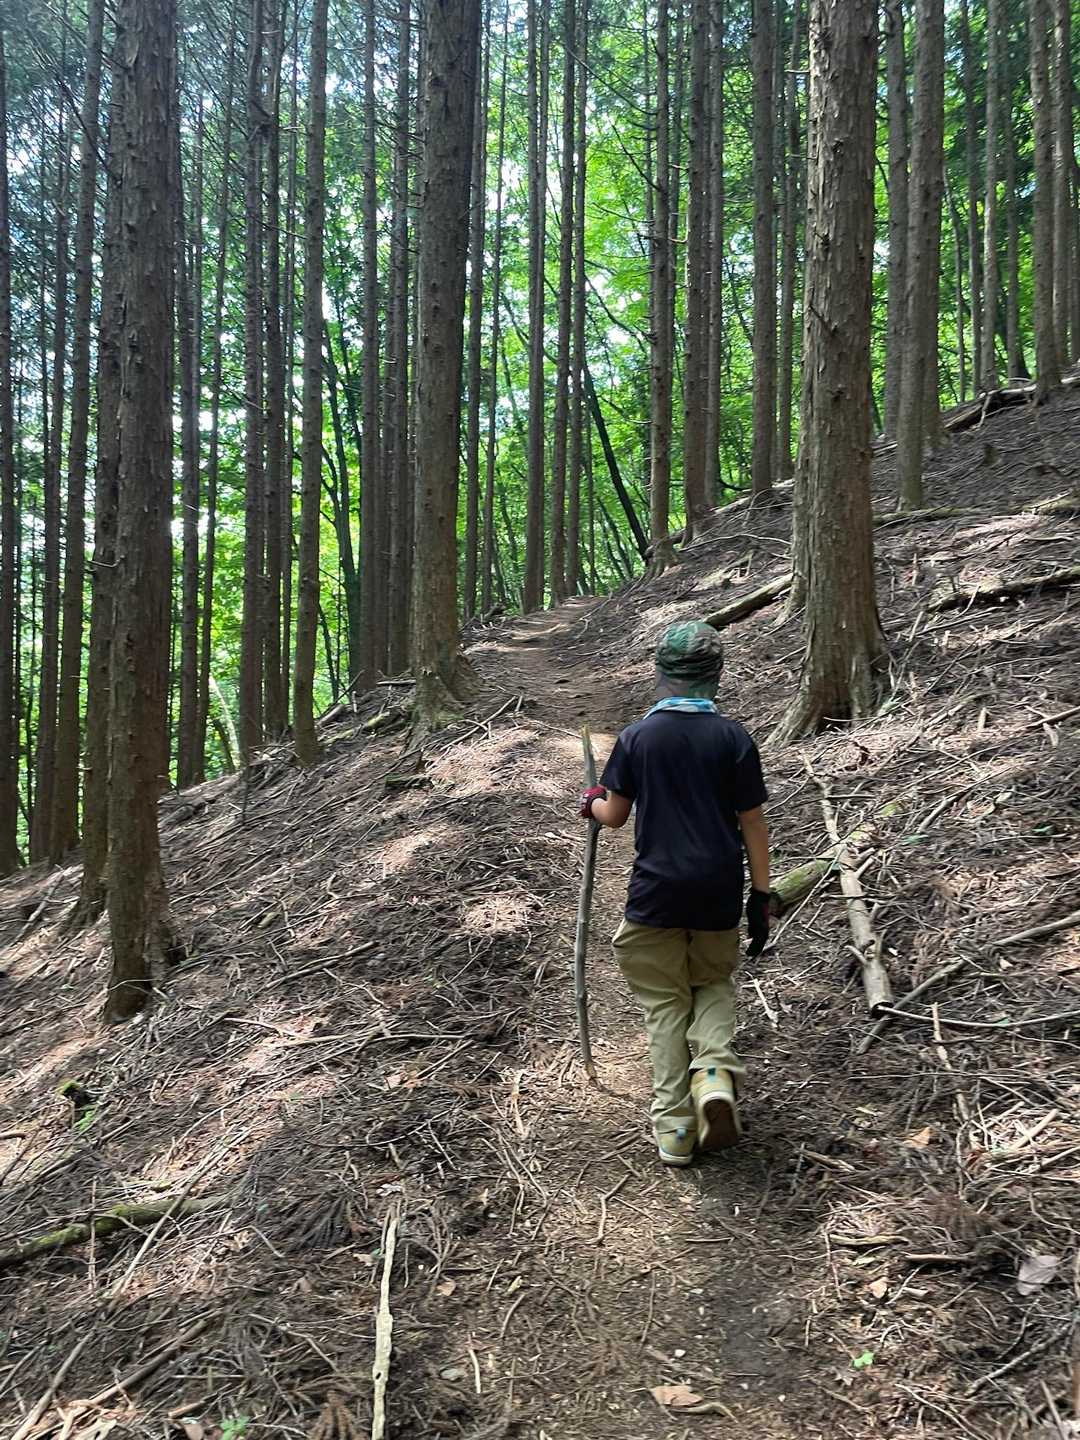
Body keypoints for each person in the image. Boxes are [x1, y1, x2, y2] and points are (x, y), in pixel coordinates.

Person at [579, 619, 771, 1167]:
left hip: (656, 892)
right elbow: (753, 822)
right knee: (711, 981)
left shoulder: (638, 737)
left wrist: (591, 799)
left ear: (661, 674)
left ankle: (677, 1129)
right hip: (718, 890)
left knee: (665, 1003)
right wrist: (760, 896)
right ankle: (713, 1075)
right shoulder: (734, 738)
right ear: (716, 675)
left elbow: (614, 815)